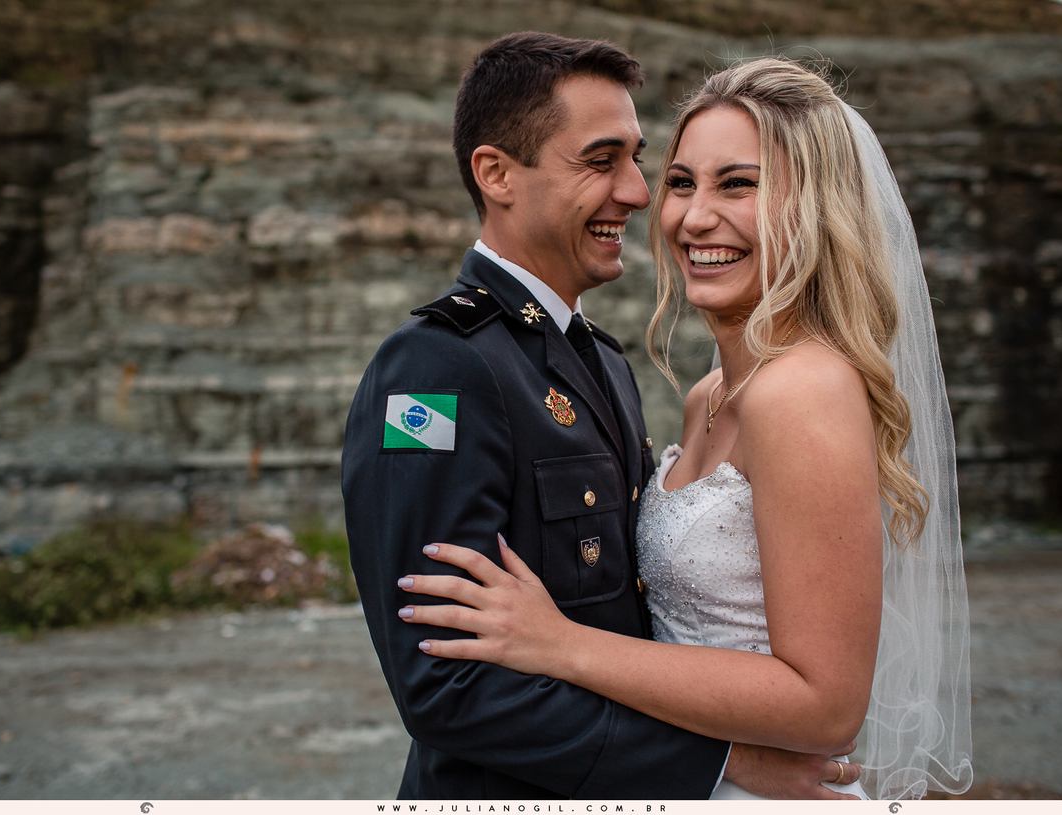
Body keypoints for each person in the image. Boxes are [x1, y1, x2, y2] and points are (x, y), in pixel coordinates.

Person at [395, 58, 974, 800]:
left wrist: (563, 644)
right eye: (681, 182)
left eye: (738, 184)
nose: (692, 217)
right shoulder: (708, 394)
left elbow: (828, 703)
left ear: (817, 206)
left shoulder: (802, 390)